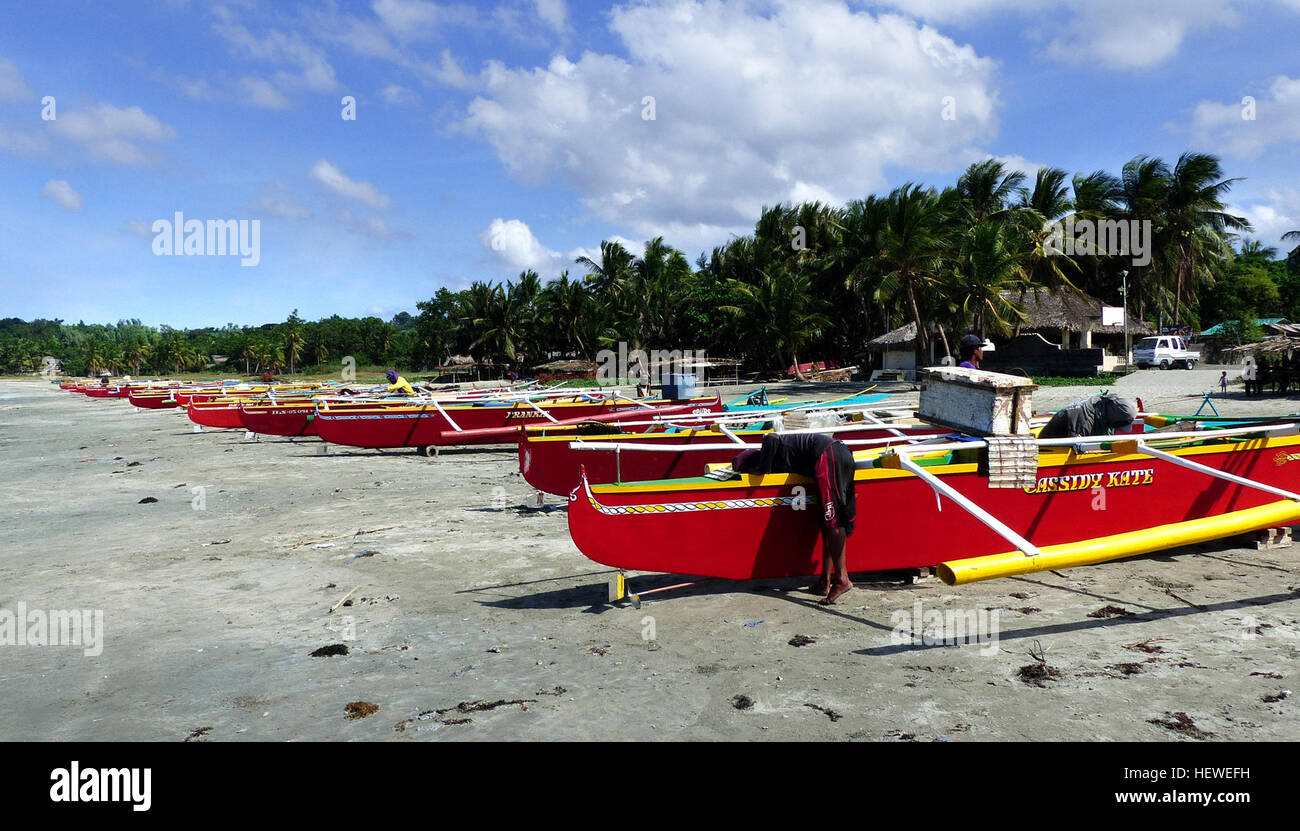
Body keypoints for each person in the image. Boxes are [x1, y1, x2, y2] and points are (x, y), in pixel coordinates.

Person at [732, 433, 857, 605]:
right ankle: (824, 582)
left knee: (832, 520)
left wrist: (762, 468)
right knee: (827, 524)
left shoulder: (771, 450)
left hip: (829, 454)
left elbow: (770, 437)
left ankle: (842, 579)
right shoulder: (784, 455)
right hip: (837, 453)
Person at [1038, 393, 1138, 439]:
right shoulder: (1084, 420)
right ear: (1113, 416)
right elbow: (1078, 452)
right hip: (1051, 453)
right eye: (1118, 424)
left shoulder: (1101, 404)